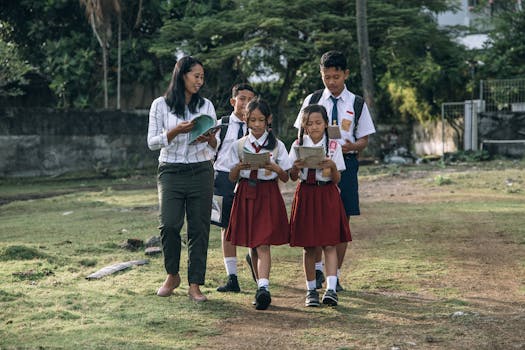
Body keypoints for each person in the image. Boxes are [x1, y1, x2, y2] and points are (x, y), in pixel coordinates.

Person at [293, 50, 376, 292]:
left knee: (341, 219)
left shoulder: (357, 103)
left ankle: (335, 275)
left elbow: (364, 140)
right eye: (327, 77)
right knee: (314, 218)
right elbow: (300, 132)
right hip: (314, 165)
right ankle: (318, 271)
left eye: (336, 77)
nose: (331, 82)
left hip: (345, 164)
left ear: (346, 74)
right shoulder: (312, 99)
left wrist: (352, 146)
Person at [147, 56, 217, 303]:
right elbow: (152, 142)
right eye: (196, 76)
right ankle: (172, 275)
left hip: (201, 170)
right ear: (182, 75)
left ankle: (195, 284)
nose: (200, 81)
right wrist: (176, 131)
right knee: (168, 225)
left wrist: (208, 138)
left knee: (199, 228)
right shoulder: (160, 105)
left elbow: (214, 145)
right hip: (171, 171)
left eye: (202, 76)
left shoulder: (206, 105)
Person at [224, 98, 292, 310]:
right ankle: (260, 286)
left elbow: (286, 177)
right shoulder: (239, 145)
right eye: (252, 120)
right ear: (245, 119)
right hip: (246, 191)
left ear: (268, 120)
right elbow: (232, 177)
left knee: (263, 243)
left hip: (267, 192)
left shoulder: (277, 145)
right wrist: (239, 166)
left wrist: (273, 167)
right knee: (253, 244)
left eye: (260, 120)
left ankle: (264, 287)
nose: (256, 124)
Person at [289, 104, 351, 307]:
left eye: (318, 123)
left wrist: (332, 166)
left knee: (329, 243)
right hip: (306, 192)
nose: (314, 127)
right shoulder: (297, 145)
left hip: (327, 194)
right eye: (309, 123)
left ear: (325, 124)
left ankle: (331, 289)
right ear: (304, 126)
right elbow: (291, 177)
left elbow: (337, 179)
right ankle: (310, 290)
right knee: (309, 246)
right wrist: (295, 168)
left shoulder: (333, 146)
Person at [213, 83, 256, 293]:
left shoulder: (257, 127)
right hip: (223, 178)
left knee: (252, 225)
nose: (246, 103)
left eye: (250, 99)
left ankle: (254, 260)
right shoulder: (221, 124)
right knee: (227, 227)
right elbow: (211, 151)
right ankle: (232, 277)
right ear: (233, 101)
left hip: (249, 179)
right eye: (242, 98)